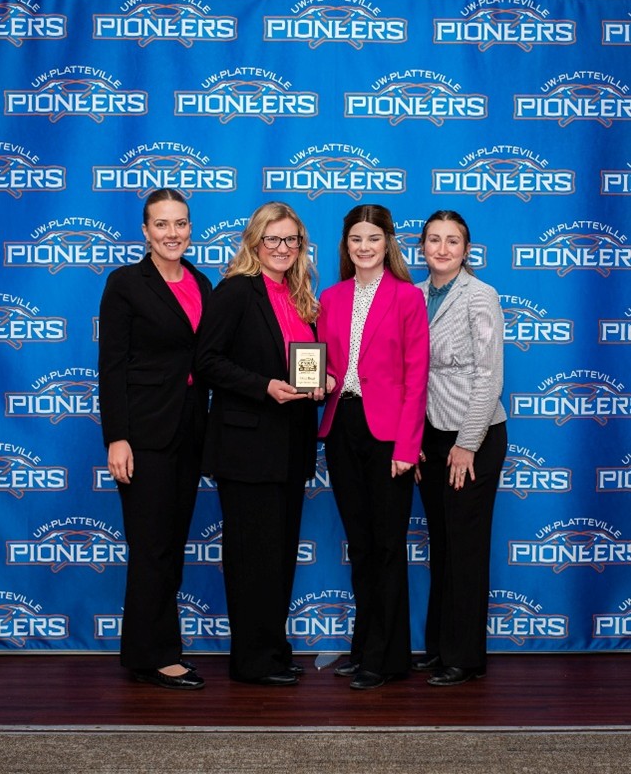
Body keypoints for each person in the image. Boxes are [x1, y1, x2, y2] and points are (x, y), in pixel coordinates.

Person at [195, 201, 322, 686]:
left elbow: (302, 361)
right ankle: (251, 660)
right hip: (247, 448)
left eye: (291, 240)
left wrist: (322, 381)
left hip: (291, 444)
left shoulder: (299, 295)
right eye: (273, 239)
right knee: (252, 557)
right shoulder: (235, 291)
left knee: (279, 554)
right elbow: (206, 361)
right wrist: (263, 386)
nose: (283, 248)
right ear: (255, 242)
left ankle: (273, 649)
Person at [98, 188, 211, 690]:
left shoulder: (202, 282)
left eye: (180, 223)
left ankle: (161, 647)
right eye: (162, 224)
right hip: (143, 434)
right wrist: (117, 438)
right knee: (151, 547)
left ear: (191, 228)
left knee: (170, 543)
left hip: (190, 432)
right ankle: (152, 656)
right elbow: (111, 367)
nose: (172, 233)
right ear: (145, 231)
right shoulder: (124, 284)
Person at [317, 204, 429, 691]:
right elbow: (323, 365)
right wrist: (317, 380)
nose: (364, 247)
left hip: (389, 434)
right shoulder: (331, 297)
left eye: (373, 238)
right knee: (361, 546)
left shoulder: (407, 298)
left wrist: (408, 445)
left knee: (386, 547)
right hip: (342, 425)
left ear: (388, 243)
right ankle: (365, 646)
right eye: (356, 239)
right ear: (346, 245)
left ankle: (385, 658)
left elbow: (416, 377)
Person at [414, 209, 507, 687]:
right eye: (434, 240)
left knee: (466, 547)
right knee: (443, 545)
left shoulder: (480, 295)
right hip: (430, 435)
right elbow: (410, 374)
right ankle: (437, 648)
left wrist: (467, 444)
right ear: (422, 246)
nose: (443, 249)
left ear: (466, 249)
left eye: (453, 241)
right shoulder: (415, 295)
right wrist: (414, 440)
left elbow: (489, 376)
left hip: (474, 435)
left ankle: (465, 656)